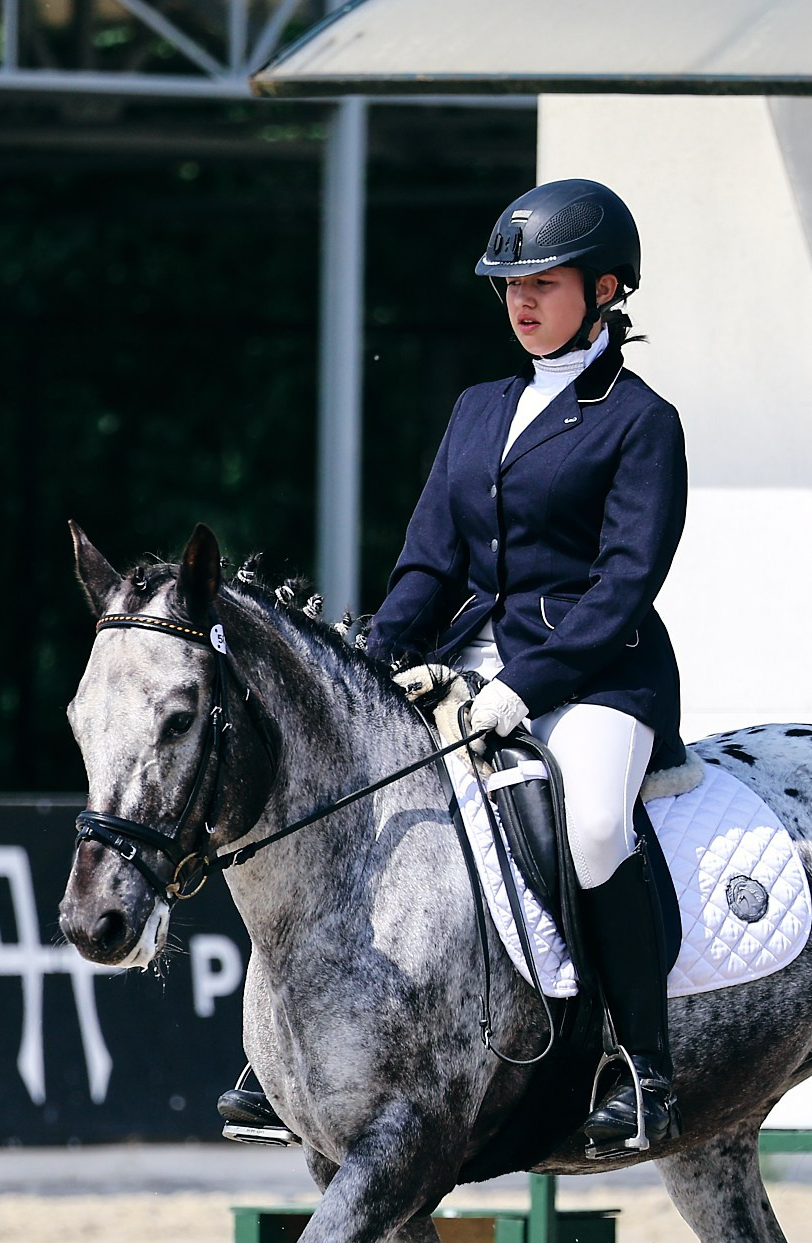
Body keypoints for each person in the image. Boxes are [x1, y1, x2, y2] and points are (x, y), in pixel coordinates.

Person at [219, 177, 690, 1155]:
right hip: (463, 657)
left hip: (596, 674)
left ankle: (643, 1068)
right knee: (349, 794)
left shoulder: (640, 420)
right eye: (510, 285)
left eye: (543, 283)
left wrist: (527, 685)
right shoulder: (480, 407)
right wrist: (368, 669)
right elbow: (428, 564)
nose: (521, 301)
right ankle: (284, 1056)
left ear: (606, 289)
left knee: (594, 826)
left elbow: (623, 585)